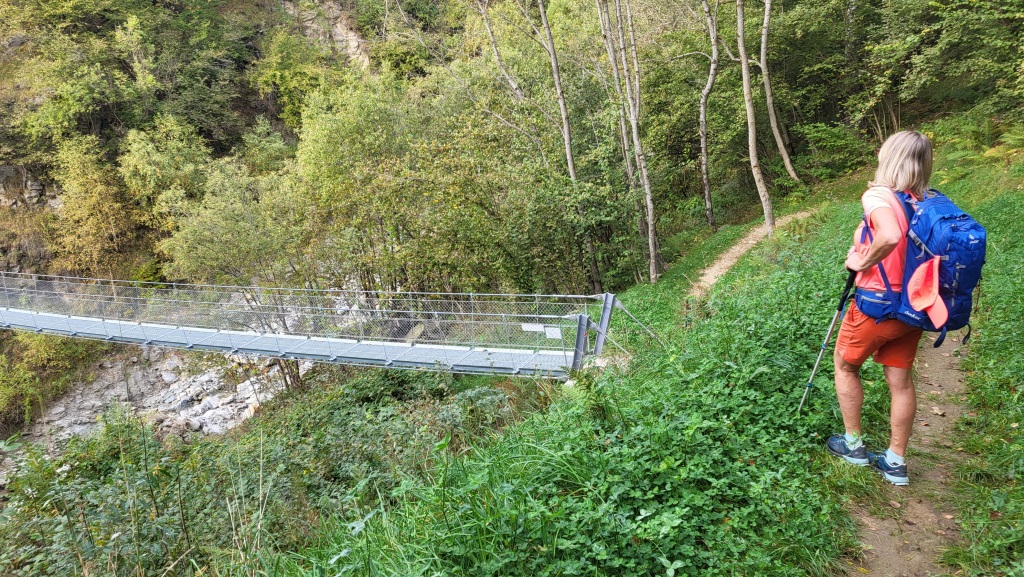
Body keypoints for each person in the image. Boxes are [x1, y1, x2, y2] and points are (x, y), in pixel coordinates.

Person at [825, 130, 934, 486]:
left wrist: (861, 261)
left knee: (845, 365)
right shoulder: (925, 201)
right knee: (900, 381)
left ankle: (853, 445)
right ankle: (895, 462)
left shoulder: (878, 196)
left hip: (877, 305)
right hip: (914, 307)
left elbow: (889, 236)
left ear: (889, 157)